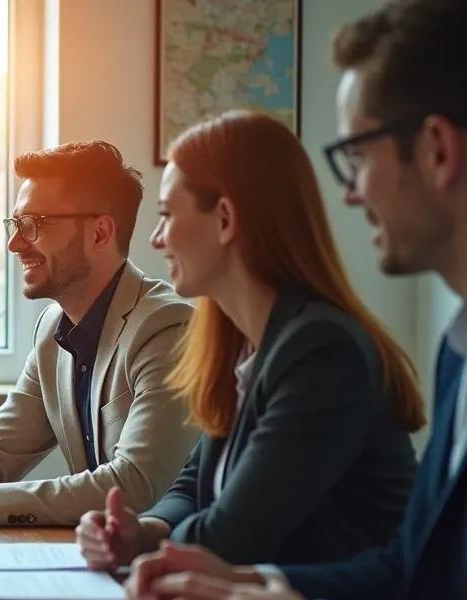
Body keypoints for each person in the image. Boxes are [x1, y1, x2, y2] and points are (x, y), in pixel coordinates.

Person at [125, 0, 467, 600]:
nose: (349, 190)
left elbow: (234, 532)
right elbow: (405, 569)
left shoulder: (322, 347)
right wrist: (259, 590)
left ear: (436, 151)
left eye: (356, 156)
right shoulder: (455, 344)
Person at [75, 111, 422, 571]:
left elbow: (231, 537)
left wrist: (147, 544)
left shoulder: (320, 353)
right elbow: (191, 487)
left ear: (224, 219)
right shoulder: (243, 344)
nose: (157, 240)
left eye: (166, 216)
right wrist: (145, 528)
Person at [0, 142, 196, 526]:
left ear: (100, 233)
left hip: (171, 565)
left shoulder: (166, 328)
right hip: (101, 556)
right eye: (15, 225)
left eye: (33, 225)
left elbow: (135, 484)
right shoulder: (51, 329)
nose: (14, 244)